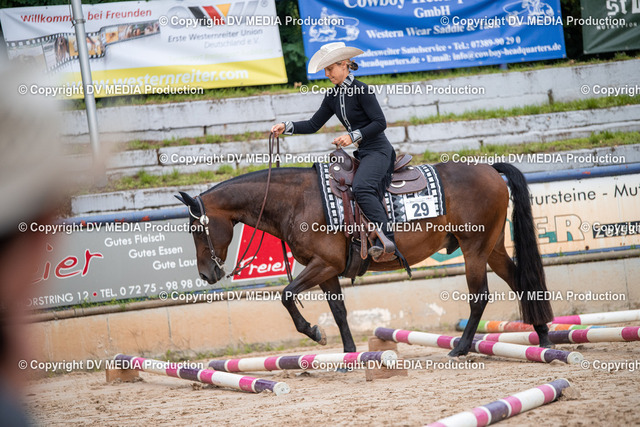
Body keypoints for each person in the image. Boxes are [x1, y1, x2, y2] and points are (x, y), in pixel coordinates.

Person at [271, 42, 400, 263]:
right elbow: (313, 124)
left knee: (362, 187)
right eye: (325, 69)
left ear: (344, 65)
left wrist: (352, 136)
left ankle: (387, 240)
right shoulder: (332, 96)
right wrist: (287, 126)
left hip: (379, 151)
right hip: (363, 153)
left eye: (330, 68)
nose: (327, 74)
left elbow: (380, 122)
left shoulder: (362, 90)